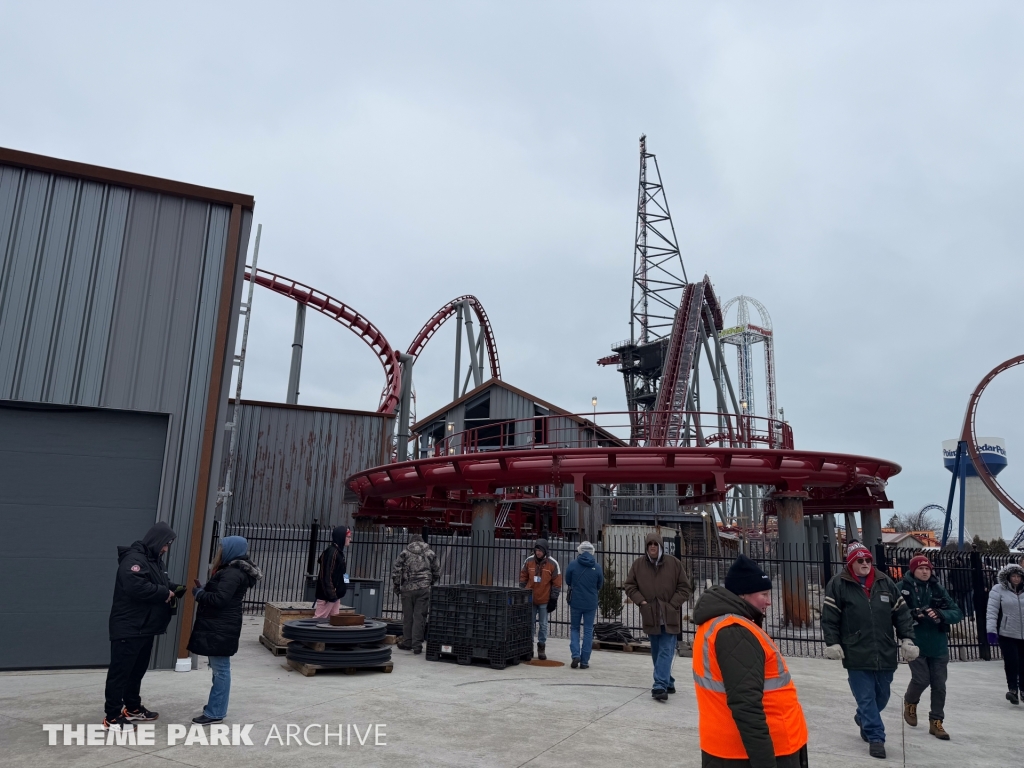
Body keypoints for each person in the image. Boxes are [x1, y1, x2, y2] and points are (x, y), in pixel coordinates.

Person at [692, 554, 809, 768]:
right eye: (763, 594)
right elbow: (746, 705)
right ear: (743, 594)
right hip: (752, 753)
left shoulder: (722, 625)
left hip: (733, 749)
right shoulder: (734, 632)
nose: (769, 601)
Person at [822, 545, 918, 760]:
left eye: (867, 560)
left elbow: (901, 614)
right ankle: (876, 738)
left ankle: (863, 718)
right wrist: (833, 643)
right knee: (866, 698)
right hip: (855, 650)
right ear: (851, 563)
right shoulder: (838, 584)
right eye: (860, 560)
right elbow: (830, 618)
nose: (864, 563)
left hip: (884, 649)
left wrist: (907, 639)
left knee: (881, 696)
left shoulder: (885, 582)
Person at [104, 522, 184, 731]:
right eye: (165, 544)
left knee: (136, 671)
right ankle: (112, 716)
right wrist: (163, 593)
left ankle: (132, 708)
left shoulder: (154, 561)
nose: (166, 549)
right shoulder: (133, 560)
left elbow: (160, 583)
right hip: (129, 627)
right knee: (120, 673)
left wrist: (176, 588)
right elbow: (135, 585)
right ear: (157, 541)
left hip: (145, 627)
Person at [187, 536, 263, 725]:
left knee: (220, 670)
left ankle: (215, 712)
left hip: (220, 626)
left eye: (223, 547)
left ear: (230, 550)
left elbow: (220, 600)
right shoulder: (232, 571)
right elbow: (222, 595)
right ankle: (215, 707)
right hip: (221, 625)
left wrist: (200, 594)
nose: (219, 550)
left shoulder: (232, 572)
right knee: (219, 668)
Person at [623, 531, 693, 702]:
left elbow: (685, 588)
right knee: (656, 652)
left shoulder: (674, 563)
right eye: (650, 544)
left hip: (669, 615)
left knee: (665, 651)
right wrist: (642, 602)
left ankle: (660, 685)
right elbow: (630, 586)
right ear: (646, 547)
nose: (652, 547)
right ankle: (668, 681)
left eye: (655, 544)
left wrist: (672, 605)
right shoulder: (638, 565)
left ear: (660, 545)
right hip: (650, 616)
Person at [899, 554, 963, 740]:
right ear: (913, 570)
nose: (925, 571)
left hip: (938, 644)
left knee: (939, 685)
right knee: (921, 679)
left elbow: (957, 612)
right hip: (914, 642)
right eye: (920, 568)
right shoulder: (902, 588)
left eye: (927, 568)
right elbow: (892, 611)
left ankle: (936, 722)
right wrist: (911, 614)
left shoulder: (938, 588)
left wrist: (940, 614)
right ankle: (910, 701)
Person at [390, 533, 440, 654]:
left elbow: (396, 571)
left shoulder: (404, 553)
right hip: (423, 589)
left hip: (407, 588)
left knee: (408, 616)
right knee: (420, 617)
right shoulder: (430, 553)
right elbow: (437, 571)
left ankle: (407, 642)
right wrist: (429, 583)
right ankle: (417, 646)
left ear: (411, 542)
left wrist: (397, 587)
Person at [985, 562, 1024, 705]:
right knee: (1012, 661)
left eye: (1018, 576)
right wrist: (991, 631)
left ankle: (1023, 689)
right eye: (1013, 576)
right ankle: (1013, 689)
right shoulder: (998, 590)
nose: (1016, 579)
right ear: (1007, 577)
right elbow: (992, 611)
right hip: (1007, 633)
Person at [519, 538, 561, 660]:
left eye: (540, 550)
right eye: (536, 550)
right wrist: (522, 593)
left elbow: (557, 583)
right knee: (529, 624)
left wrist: (553, 599)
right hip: (530, 599)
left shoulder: (553, 564)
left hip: (544, 600)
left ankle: (541, 646)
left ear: (545, 551)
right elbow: (523, 577)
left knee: (543, 625)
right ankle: (529, 647)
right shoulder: (529, 561)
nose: (538, 552)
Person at [564, 541, 604, 670]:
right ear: (593, 552)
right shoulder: (597, 567)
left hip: (576, 601)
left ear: (579, 551)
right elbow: (600, 585)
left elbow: (568, 580)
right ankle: (585, 661)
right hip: (590, 603)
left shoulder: (573, 564)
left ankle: (575, 654)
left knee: (574, 628)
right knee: (587, 630)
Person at [314, 525, 351, 619]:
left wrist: (345, 585)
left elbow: (343, 572)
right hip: (328, 596)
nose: (350, 539)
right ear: (341, 537)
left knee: (334, 620)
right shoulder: (332, 553)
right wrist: (331, 594)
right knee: (319, 619)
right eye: (348, 537)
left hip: (335, 595)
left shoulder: (339, 553)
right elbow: (325, 575)